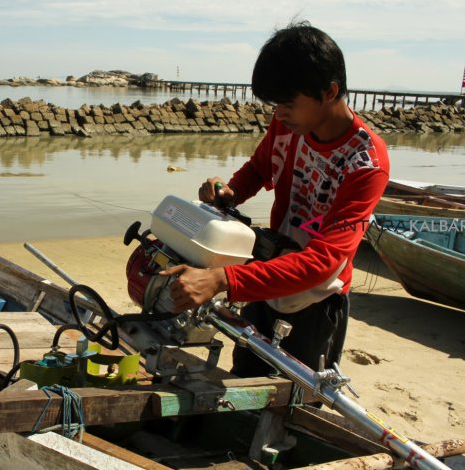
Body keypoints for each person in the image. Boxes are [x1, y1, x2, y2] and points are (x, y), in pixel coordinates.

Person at [160, 22, 390, 377]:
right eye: (275, 104)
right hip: (266, 279)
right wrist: (230, 192)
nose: (279, 114)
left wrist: (225, 280)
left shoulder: (366, 163)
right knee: (245, 376)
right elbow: (260, 168)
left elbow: (323, 261)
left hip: (316, 301)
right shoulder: (287, 124)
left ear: (329, 91)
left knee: (297, 397)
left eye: (287, 103)